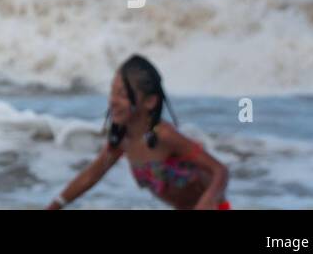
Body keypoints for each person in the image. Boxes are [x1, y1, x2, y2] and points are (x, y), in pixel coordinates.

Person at [47, 54, 231, 210]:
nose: (113, 101)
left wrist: (209, 199)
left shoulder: (164, 136)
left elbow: (220, 171)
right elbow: (91, 175)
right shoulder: (122, 138)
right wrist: (54, 205)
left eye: (123, 95)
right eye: (112, 92)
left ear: (150, 101)